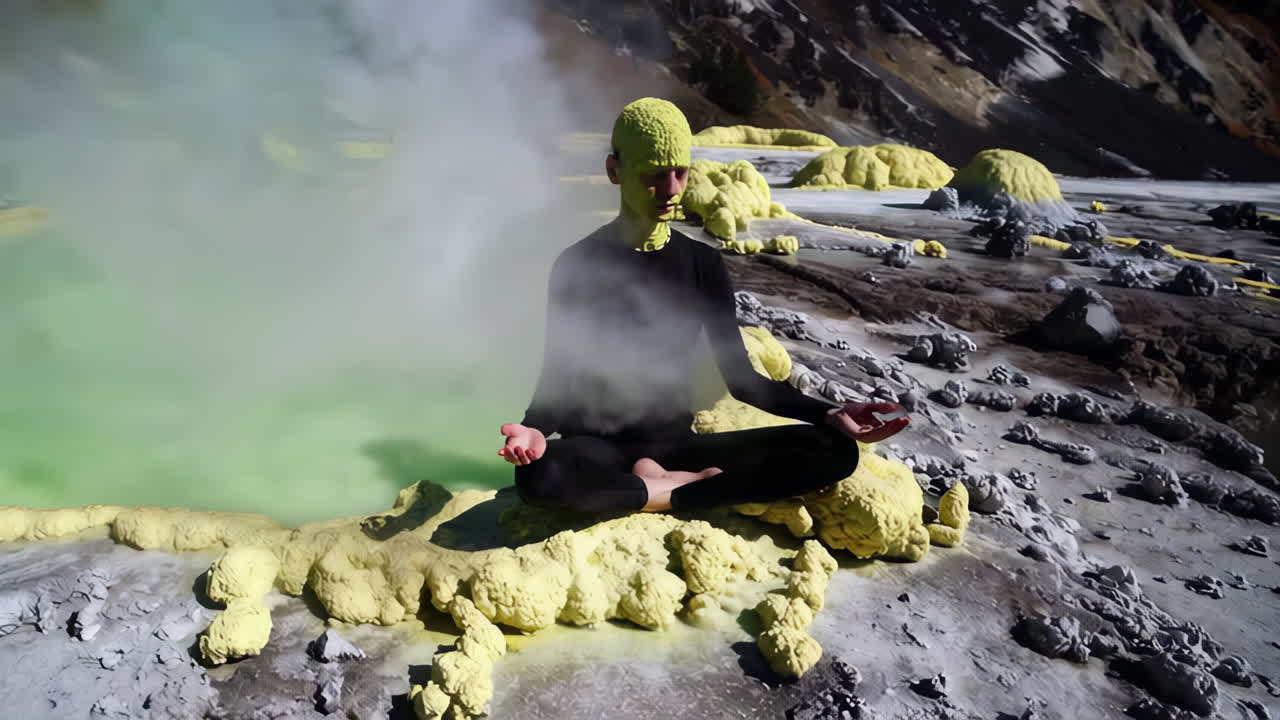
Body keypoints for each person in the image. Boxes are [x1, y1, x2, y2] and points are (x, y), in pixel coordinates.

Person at [497, 98, 909, 513]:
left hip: (677, 445)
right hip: (596, 448)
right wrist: (533, 430)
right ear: (615, 171)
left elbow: (742, 380)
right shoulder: (577, 264)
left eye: (681, 172)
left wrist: (831, 413)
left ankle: (665, 490)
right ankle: (685, 492)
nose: (673, 189)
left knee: (835, 451)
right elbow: (557, 379)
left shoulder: (701, 263)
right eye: (655, 175)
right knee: (539, 476)